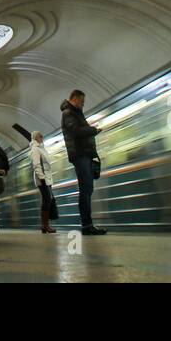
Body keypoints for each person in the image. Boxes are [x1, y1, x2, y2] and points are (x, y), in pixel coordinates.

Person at [61, 89, 107, 235]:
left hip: (84, 155)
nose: (83, 105)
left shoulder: (74, 113)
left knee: (87, 189)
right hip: (79, 155)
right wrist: (93, 130)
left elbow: (80, 129)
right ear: (74, 98)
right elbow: (76, 131)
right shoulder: (68, 113)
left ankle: (88, 225)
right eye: (81, 102)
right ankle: (87, 225)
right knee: (85, 189)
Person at [31, 131, 56, 233]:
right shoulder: (35, 149)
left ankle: (45, 225)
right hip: (43, 179)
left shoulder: (41, 148)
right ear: (36, 137)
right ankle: (45, 225)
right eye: (41, 136)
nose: (42, 138)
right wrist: (42, 178)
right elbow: (37, 165)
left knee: (47, 201)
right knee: (46, 201)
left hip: (47, 178)